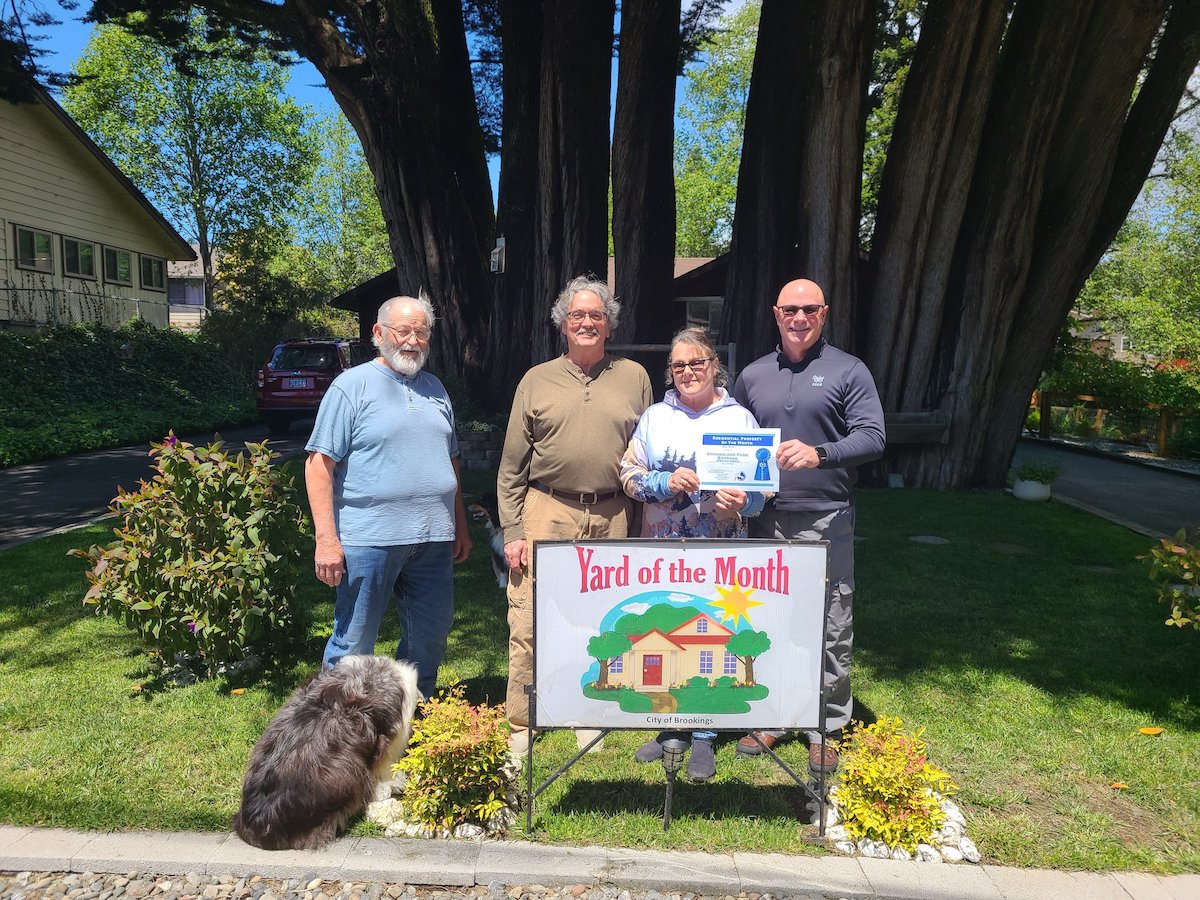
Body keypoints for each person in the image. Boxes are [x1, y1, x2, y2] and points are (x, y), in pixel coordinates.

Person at [731, 278, 885, 775]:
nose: (799, 318)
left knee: (830, 621)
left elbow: (873, 437)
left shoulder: (849, 370)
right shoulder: (753, 376)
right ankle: (776, 713)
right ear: (775, 313)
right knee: (770, 620)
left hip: (826, 517)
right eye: (790, 310)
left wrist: (820, 454)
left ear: (824, 313)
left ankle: (826, 724)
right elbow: (734, 441)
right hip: (765, 519)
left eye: (810, 309)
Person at [498, 275, 653, 754]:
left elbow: (650, 453)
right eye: (577, 315)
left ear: (609, 325)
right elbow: (510, 467)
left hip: (613, 513)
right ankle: (524, 720)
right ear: (562, 324)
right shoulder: (536, 380)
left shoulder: (635, 377)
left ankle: (590, 712)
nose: (587, 322)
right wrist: (513, 529)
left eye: (596, 315)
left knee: (604, 619)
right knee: (529, 619)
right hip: (548, 509)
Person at [305, 292, 472, 699]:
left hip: (434, 537)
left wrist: (460, 527)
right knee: (354, 642)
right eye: (403, 331)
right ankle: (337, 733)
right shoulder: (351, 386)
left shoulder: (435, 388)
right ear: (379, 333)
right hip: (369, 538)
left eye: (422, 332)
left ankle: (412, 716)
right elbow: (318, 465)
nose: (413, 341)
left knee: (430, 637)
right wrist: (326, 539)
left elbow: (449, 464)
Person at [619, 326, 767, 781]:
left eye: (696, 362)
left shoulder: (740, 419)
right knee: (665, 628)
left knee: (711, 634)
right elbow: (628, 476)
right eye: (678, 365)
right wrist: (664, 482)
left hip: (720, 552)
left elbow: (762, 493)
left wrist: (745, 502)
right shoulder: (654, 418)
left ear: (714, 364)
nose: (687, 372)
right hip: (663, 549)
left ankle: (703, 734)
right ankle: (669, 726)